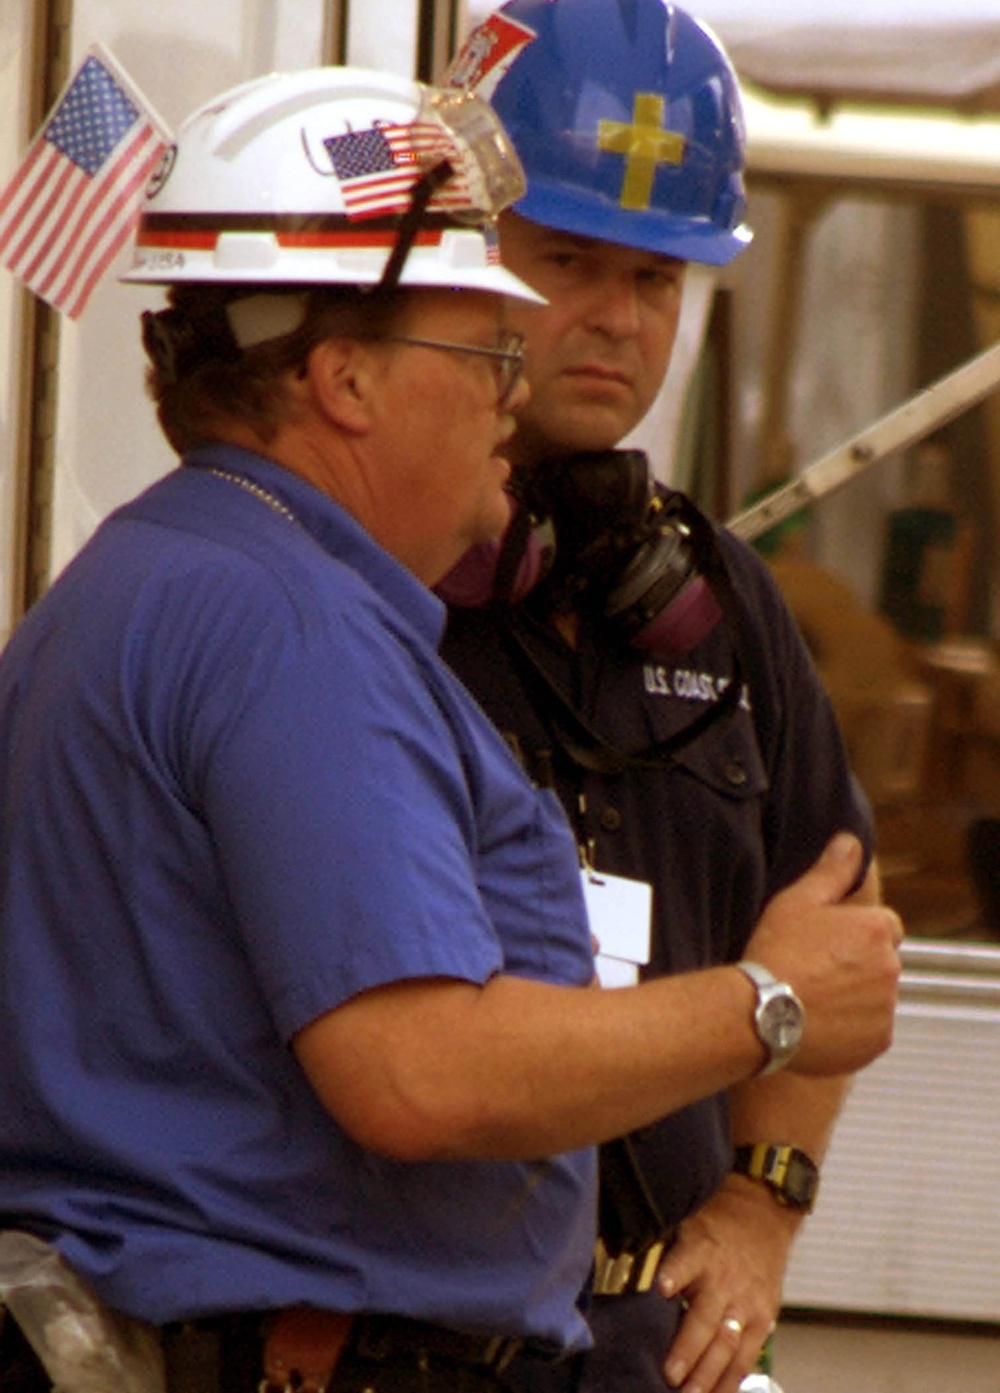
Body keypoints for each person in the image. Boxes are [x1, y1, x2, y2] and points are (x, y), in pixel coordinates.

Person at [0, 59, 902, 1393]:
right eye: (481, 343)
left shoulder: (173, 576)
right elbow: (418, 1075)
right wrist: (770, 1005)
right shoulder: (288, 629)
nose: (508, 387)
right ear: (347, 380)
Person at [438, 3, 889, 1392]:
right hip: (416, 1339)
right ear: (464, 244)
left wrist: (762, 1200)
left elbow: (844, 942)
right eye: (568, 259)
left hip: (654, 1351)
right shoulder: (351, 587)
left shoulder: (725, 602)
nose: (616, 320)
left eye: (659, 277)